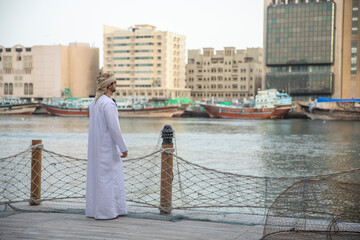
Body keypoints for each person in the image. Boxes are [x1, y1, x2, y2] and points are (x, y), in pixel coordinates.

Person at [86, 73, 128, 220]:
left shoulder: (95, 102)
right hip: (107, 147)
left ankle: (94, 210)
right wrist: (123, 148)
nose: (116, 84)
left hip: (96, 147)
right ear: (109, 85)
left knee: (97, 178)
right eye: (114, 82)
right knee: (108, 180)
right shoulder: (108, 103)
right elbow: (114, 128)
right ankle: (107, 212)